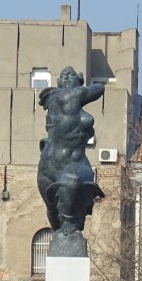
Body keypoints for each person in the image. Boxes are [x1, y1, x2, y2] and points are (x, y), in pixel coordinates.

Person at [36, 67, 106, 240]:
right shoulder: (71, 95)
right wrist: (89, 83)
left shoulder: (53, 97)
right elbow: (99, 88)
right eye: (63, 75)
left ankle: (67, 228)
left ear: (78, 80)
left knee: (71, 181)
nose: (66, 77)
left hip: (70, 162)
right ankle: (62, 236)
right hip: (51, 164)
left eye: (71, 75)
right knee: (52, 208)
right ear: (58, 83)